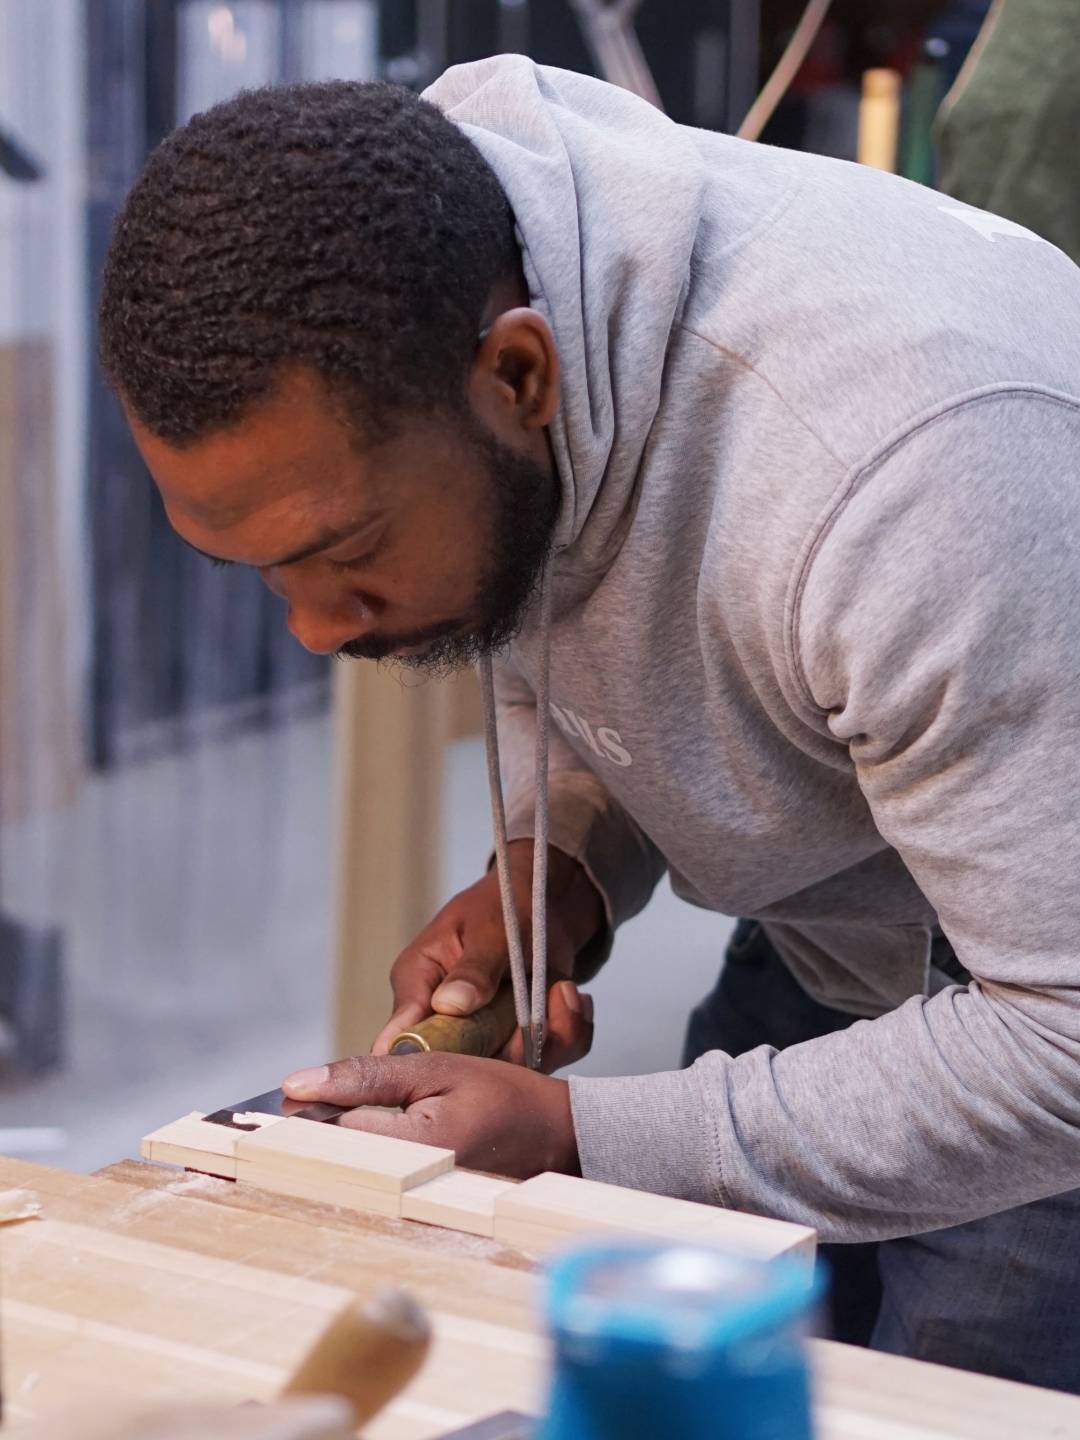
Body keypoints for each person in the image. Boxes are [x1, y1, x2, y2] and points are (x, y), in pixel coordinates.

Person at [99, 58, 1080, 1390]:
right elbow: (604, 594)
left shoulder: (912, 481)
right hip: (846, 928)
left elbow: (1059, 1042)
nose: (313, 631)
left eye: (345, 555)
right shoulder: (456, 272)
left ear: (520, 376)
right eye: (265, 574)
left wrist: (575, 1132)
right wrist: (557, 870)